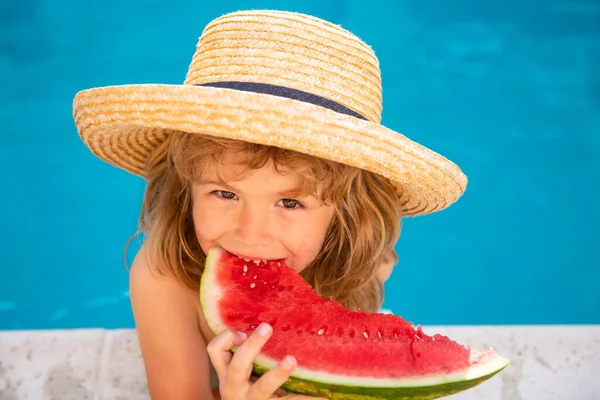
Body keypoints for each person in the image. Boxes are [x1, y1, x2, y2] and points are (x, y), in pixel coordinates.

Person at [72, 9, 467, 400]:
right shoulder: (163, 277)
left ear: (346, 213)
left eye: (290, 202)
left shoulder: (368, 262)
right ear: (185, 188)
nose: (251, 234)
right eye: (225, 194)